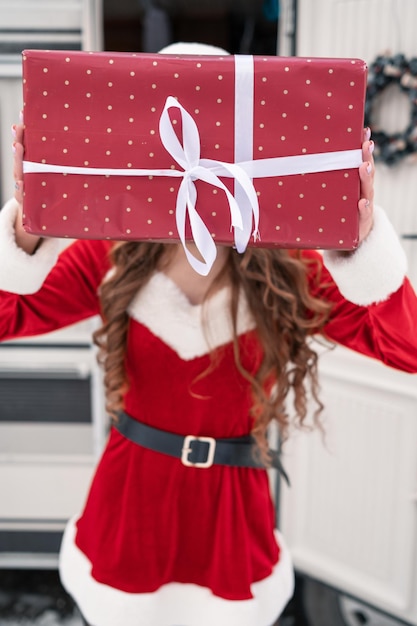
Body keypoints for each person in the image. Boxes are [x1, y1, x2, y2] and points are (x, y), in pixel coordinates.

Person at [2, 42, 417, 626]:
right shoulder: (108, 254)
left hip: (231, 511)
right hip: (132, 499)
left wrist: (359, 247)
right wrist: (29, 228)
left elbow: (408, 347)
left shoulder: (296, 266)